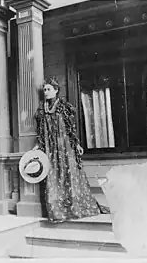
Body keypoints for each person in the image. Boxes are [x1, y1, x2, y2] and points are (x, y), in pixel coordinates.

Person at [34, 76, 109, 223]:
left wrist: (77, 144)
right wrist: (38, 146)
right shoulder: (42, 110)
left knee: (69, 175)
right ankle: (58, 210)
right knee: (54, 175)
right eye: (44, 90)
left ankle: (74, 207)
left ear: (56, 90)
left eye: (49, 89)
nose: (46, 92)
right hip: (50, 148)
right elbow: (41, 133)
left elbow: (71, 129)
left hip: (65, 147)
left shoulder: (64, 107)